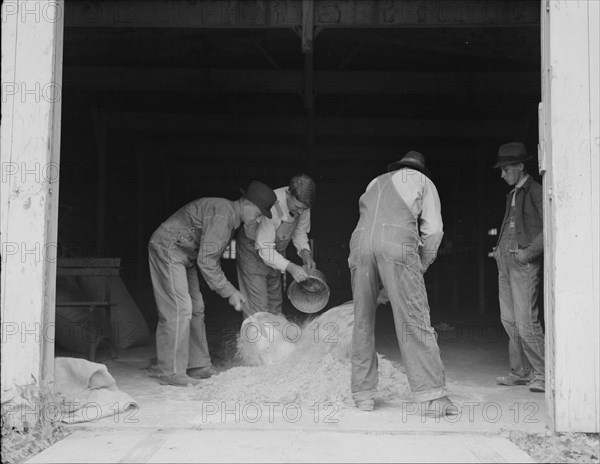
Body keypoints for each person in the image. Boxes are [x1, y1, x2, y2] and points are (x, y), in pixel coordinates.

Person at [348, 151, 458, 417]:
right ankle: (432, 397)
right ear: (421, 169)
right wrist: (423, 262)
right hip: (397, 244)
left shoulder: (374, 182)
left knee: (362, 319)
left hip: (359, 245)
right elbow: (433, 230)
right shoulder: (422, 180)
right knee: (414, 318)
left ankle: (363, 395)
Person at [148, 181, 277, 386]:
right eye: (259, 213)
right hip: (169, 247)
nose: (259, 219)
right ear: (247, 204)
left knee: (197, 308)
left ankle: (198, 365)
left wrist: (229, 290)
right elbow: (207, 262)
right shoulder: (223, 216)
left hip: (186, 253)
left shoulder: (229, 217)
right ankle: (170, 371)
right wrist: (230, 292)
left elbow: (206, 258)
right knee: (181, 308)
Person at [492, 142, 545, 393]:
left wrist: (528, 254)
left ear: (521, 166)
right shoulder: (513, 194)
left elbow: (550, 227)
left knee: (526, 322)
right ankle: (521, 372)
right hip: (506, 263)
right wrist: (499, 252)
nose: (502, 174)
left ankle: (543, 374)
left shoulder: (535, 190)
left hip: (523, 263)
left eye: (506, 169)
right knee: (509, 320)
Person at [236, 174, 317, 316]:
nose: (300, 212)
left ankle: (275, 337)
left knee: (275, 304)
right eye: (298, 207)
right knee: (259, 306)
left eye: (304, 209)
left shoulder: (303, 206)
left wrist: (305, 253)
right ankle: (255, 337)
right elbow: (265, 248)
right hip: (253, 251)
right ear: (288, 194)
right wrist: (291, 267)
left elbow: (299, 232)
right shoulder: (271, 205)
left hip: (275, 252)